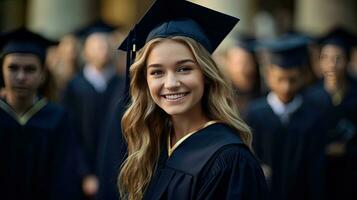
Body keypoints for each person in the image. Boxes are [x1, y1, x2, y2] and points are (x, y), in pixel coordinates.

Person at [116, 0, 269, 199]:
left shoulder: (230, 160)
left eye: (184, 68)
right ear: (144, 80)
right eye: (157, 72)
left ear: (205, 74)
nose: (170, 83)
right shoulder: (154, 144)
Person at [0, 28, 80, 200]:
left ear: (43, 74)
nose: (20, 77)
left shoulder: (58, 118)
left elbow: (65, 180)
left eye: (30, 69)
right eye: (13, 68)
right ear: (2, 71)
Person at [245, 35, 325, 200]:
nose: (286, 86)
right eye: (280, 79)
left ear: (303, 75)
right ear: (268, 75)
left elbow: (317, 171)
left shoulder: (313, 116)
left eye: (292, 79)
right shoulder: (254, 114)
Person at [62, 19, 125, 199]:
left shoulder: (122, 85)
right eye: (97, 45)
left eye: (106, 44)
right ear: (85, 51)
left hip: (116, 172)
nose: (103, 49)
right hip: (81, 176)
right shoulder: (74, 87)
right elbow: (71, 133)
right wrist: (85, 173)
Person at [304, 26, 357, 200]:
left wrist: (347, 149)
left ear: (348, 60)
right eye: (325, 58)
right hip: (318, 174)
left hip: (350, 173)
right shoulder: (309, 97)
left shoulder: (355, 95)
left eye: (338, 58)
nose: (331, 64)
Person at [224, 36, 262, 116]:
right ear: (229, 64)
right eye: (238, 63)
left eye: (248, 62)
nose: (243, 69)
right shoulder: (222, 99)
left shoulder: (265, 97)